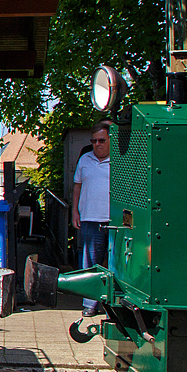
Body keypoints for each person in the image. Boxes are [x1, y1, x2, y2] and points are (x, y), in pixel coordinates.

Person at [73, 121, 112, 314]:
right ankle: (89, 305)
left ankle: (113, 306)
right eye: (94, 141)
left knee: (115, 265)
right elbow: (77, 187)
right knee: (90, 265)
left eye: (102, 140)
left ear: (110, 140)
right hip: (90, 219)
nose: (97, 144)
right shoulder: (85, 159)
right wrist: (75, 212)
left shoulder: (121, 161)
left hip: (114, 222)